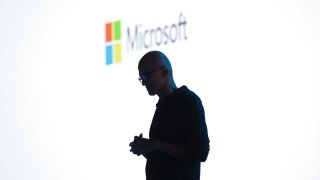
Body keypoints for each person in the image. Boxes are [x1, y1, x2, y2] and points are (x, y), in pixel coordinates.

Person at [129, 50, 210, 180]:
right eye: (141, 78)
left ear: (165, 72)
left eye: (147, 76)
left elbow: (200, 152)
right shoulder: (163, 105)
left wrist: (155, 145)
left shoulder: (188, 100)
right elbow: (168, 160)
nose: (144, 83)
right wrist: (146, 149)